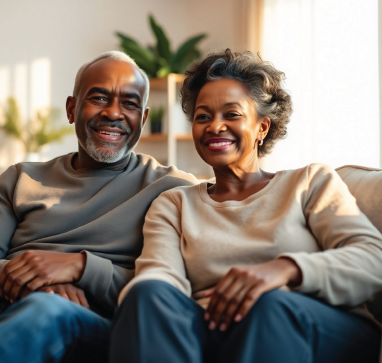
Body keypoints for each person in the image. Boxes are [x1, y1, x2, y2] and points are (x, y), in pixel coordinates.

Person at [111, 49, 382, 363]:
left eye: (232, 114)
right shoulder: (175, 203)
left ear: (262, 128)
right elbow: (159, 275)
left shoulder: (309, 183)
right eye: (203, 117)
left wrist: (284, 270)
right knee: (144, 293)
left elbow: (373, 259)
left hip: (315, 325)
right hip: (214, 328)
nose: (215, 126)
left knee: (270, 305)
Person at [0, 51, 197, 363]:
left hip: (100, 327)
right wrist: (34, 282)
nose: (114, 113)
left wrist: (82, 267)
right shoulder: (20, 178)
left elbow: (169, 288)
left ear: (143, 119)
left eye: (130, 104)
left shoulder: (172, 187)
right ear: (71, 108)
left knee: (48, 311)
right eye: (100, 98)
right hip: (16, 310)